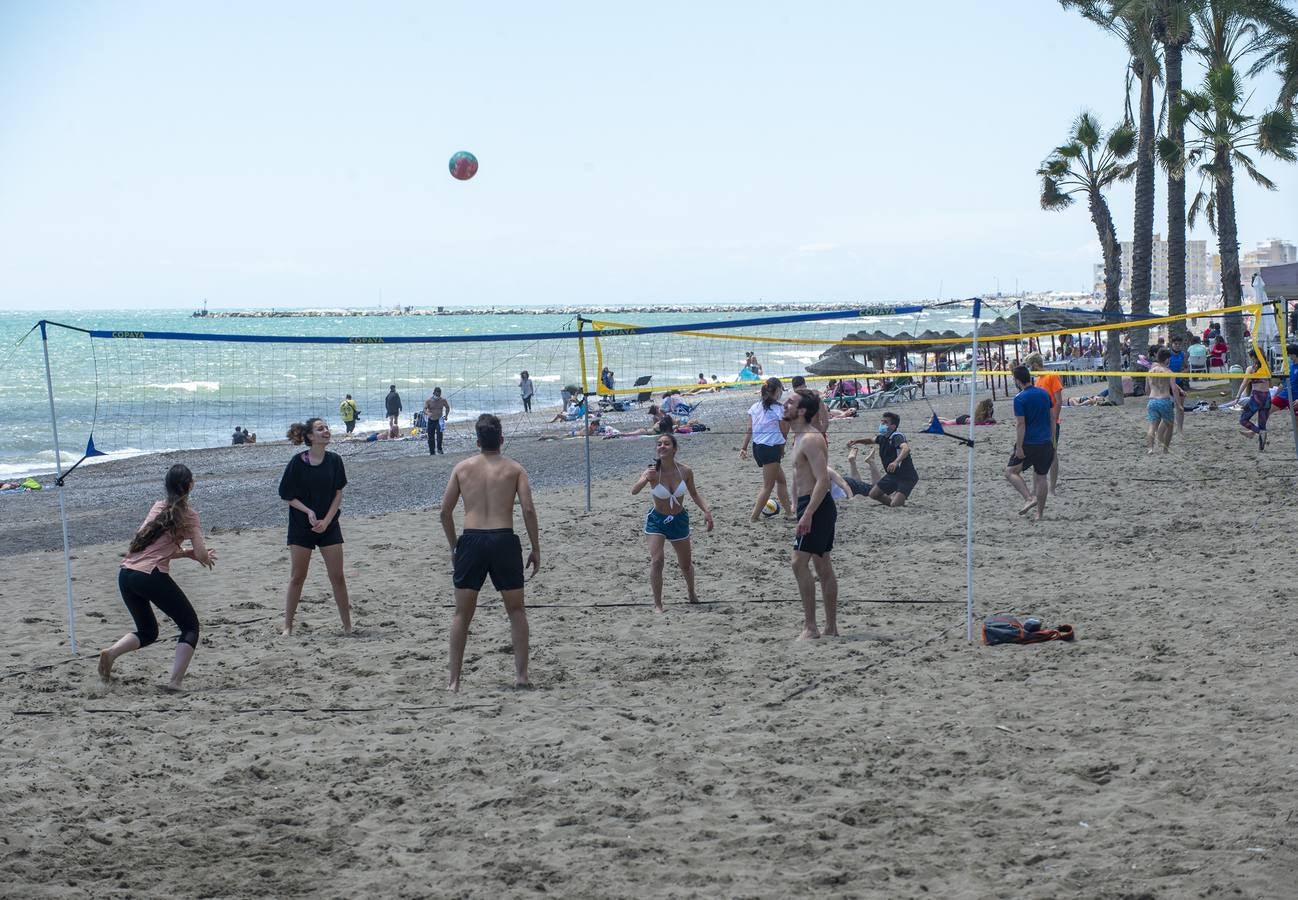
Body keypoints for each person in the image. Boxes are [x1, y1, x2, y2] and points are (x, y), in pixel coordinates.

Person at [440, 414, 540, 691]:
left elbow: (444, 512)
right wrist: (535, 547)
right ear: (502, 440)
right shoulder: (515, 468)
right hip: (503, 540)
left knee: (462, 614)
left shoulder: (462, 468)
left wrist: (454, 546)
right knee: (516, 610)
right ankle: (521, 676)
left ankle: (454, 681)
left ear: (477, 441)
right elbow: (528, 510)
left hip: (471, 540)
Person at [97, 464, 216, 691]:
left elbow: (148, 547)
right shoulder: (189, 515)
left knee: (148, 631)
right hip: (149, 575)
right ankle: (175, 682)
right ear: (190, 485)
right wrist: (203, 557)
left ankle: (111, 653)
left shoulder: (158, 507)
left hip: (126, 574)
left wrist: (185, 554)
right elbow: (201, 552)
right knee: (190, 627)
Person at [278, 417, 352, 636]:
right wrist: (308, 511)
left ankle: (348, 626)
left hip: (329, 525)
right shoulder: (297, 462)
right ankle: (288, 626)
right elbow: (286, 495)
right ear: (310, 436)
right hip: (302, 526)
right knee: (298, 576)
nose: (326, 431)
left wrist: (327, 520)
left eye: (327, 428)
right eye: (321, 429)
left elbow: (338, 493)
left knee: (337, 576)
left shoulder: (335, 460)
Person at [631, 432, 715, 612]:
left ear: (675, 448)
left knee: (685, 564)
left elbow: (694, 494)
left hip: (679, 520)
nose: (662, 446)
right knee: (657, 561)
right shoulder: (652, 472)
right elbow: (634, 491)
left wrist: (707, 510)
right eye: (659, 444)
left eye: (666, 444)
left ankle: (691, 592)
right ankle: (658, 604)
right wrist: (645, 478)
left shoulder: (685, 471)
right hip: (657, 520)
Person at [784, 389, 837, 640]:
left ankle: (811, 627)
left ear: (802, 410)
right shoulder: (799, 436)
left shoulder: (811, 439)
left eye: (790, 402)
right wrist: (796, 505)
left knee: (798, 562)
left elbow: (823, 480)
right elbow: (798, 476)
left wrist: (808, 514)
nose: (785, 404)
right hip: (810, 505)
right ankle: (830, 628)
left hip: (816, 506)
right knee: (822, 564)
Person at [740, 377, 794, 522]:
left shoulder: (755, 406)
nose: (781, 392)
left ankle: (789, 513)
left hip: (757, 448)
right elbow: (784, 430)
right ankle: (754, 517)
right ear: (776, 391)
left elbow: (749, 429)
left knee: (781, 481)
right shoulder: (779, 408)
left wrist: (744, 448)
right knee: (768, 486)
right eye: (781, 390)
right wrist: (782, 447)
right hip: (770, 449)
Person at [1005, 365, 1054, 521]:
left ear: (1018, 380)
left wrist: (1019, 447)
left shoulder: (1020, 398)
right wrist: (1052, 438)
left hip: (1029, 443)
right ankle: (1039, 515)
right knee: (1041, 477)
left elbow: (1021, 424)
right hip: (1046, 441)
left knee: (1011, 472)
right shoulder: (1044, 393)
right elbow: (1052, 417)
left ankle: (1029, 498)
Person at [845, 411, 919, 507]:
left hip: (906, 477)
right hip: (892, 475)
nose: (882, 424)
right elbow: (870, 440)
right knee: (873, 494)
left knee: (895, 505)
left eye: (885, 422)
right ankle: (892, 503)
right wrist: (856, 441)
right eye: (882, 422)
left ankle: (896, 502)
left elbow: (906, 449)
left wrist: (896, 462)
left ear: (893, 426)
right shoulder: (882, 437)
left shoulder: (897, 436)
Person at [1025, 353, 1063, 495]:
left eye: (1030, 366)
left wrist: (1054, 420)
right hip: (1040, 423)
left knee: (1052, 454)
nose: (1030, 370)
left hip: (1052, 421)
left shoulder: (1051, 376)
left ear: (1035, 365)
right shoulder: (1038, 380)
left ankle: (1052, 488)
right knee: (1039, 454)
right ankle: (1036, 489)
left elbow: (1059, 401)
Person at [1145, 348, 1183, 455]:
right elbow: (1174, 388)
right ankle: (1165, 450)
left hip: (1152, 401)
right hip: (1164, 400)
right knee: (1170, 426)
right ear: (1166, 359)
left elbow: (1146, 390)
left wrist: (1151, 396)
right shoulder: (1168, 371)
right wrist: (1179, 404)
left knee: (1152, 426)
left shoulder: (1150, 371)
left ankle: (1150, 449)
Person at [1238, 349, 1272, 450]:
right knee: (1262, 423)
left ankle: (1259, 432)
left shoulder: (1251, 368)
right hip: (1267, 397)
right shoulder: (1267, 367)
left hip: (1257, 397)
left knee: (1243, 420)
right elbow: (1271, 385)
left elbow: (1244, 383)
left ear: (1253, 357)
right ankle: (1261, 448)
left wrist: (1238, 396)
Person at [423, 387, 450, 455]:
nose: (438, 396)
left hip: (439, 420)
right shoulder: (429, 400)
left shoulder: (443, 400)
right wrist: (427, 413)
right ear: (434, 393)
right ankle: (432, 451)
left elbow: (447, 407)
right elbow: (424, 409)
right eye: (437, 394)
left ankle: (439, 449)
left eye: (439, 394)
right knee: (430, 436)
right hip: (431, 420)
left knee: (439, 435)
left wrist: (446, 415)